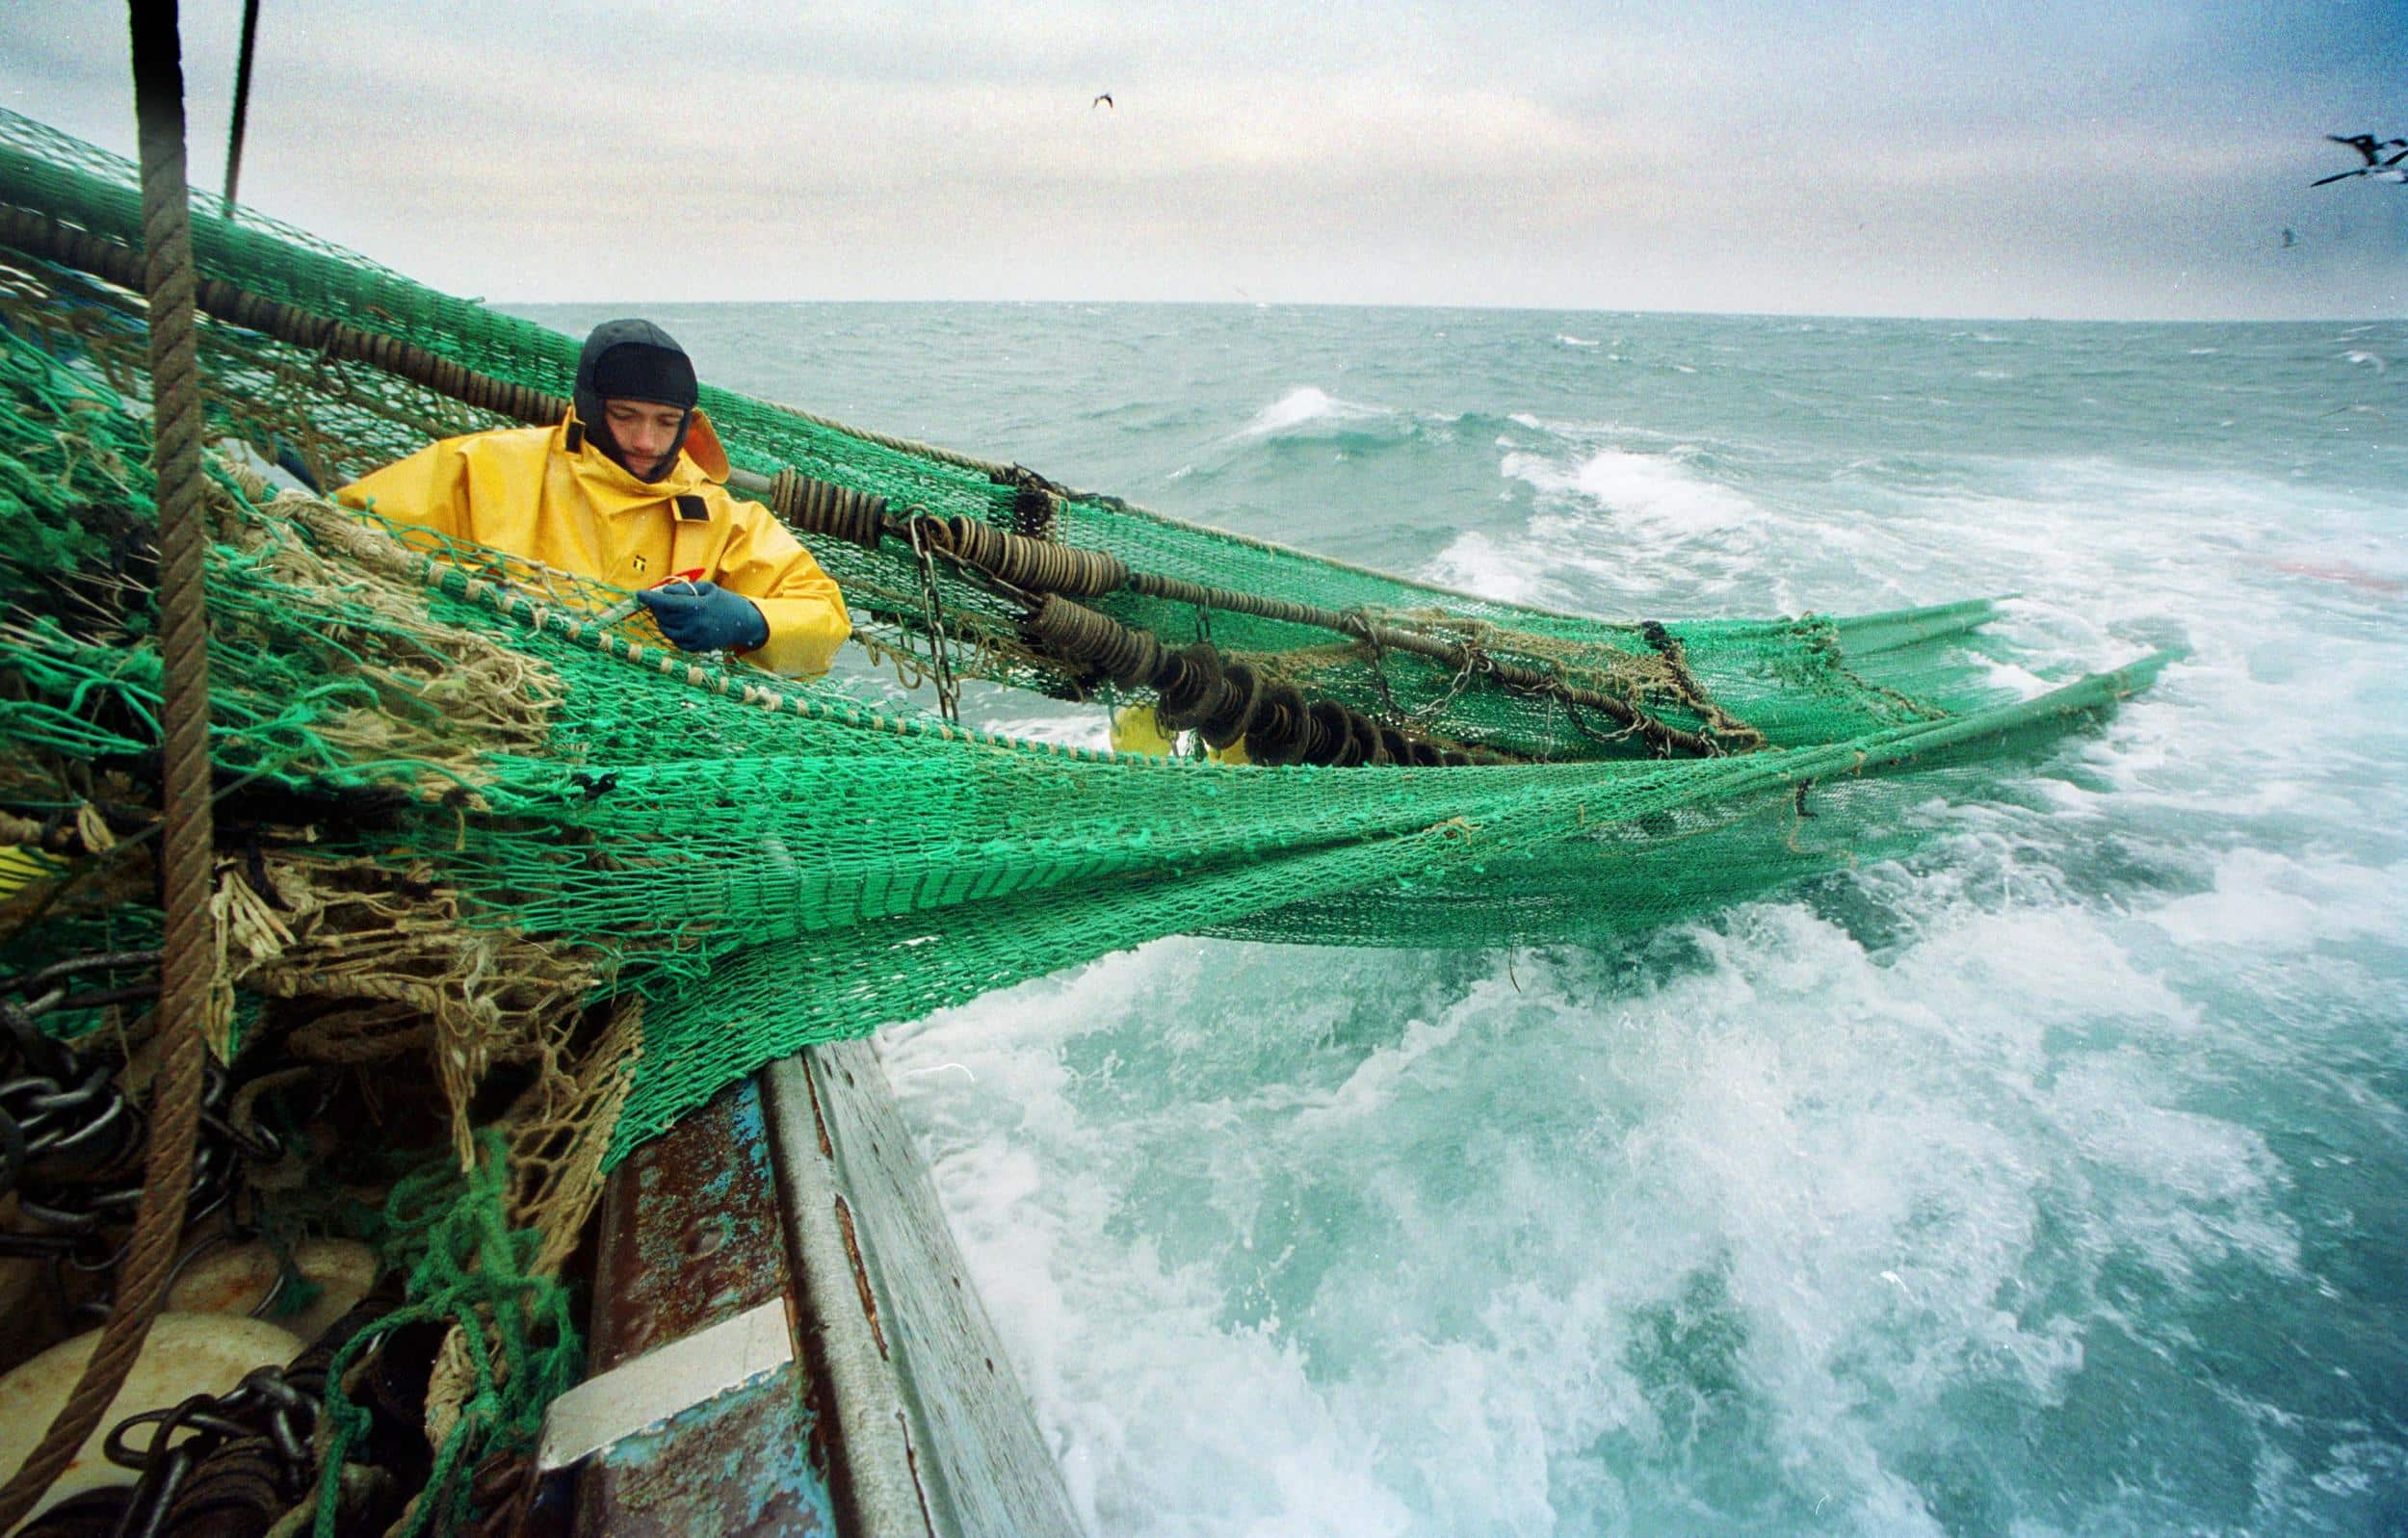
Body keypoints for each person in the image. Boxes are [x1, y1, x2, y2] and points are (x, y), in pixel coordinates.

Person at [337, 320, 849, 678]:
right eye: (625, 416)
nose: (647, 441)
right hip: (489, 706)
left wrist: (753, 621)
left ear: (689, 425)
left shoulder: (716, 514)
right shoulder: (481, 466)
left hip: (639, 739)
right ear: (588, 405)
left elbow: (824, 615)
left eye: (667, 422)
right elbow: (340, 537)